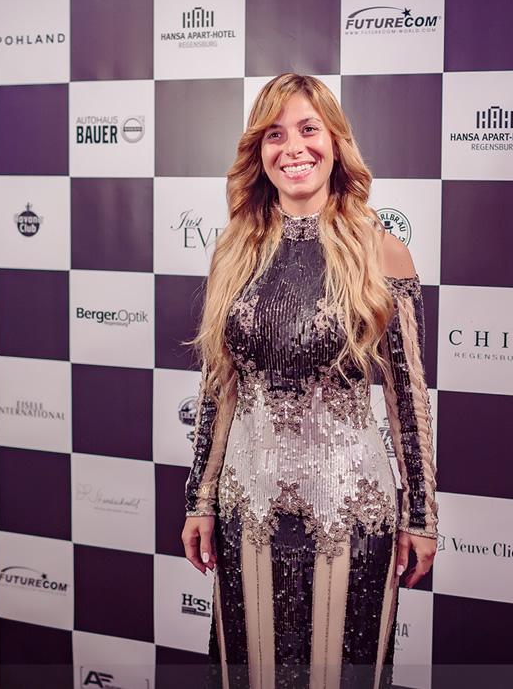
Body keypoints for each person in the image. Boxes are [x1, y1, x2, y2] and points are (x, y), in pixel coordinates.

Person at [180, 74, 438, 689]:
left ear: (335, 142)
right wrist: (200, 499)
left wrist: (421, 514)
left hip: (351, 512)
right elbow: (219, 387)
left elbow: (407, 398)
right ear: (258, 151)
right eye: (274, 134)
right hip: (248, 508)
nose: (293, 147)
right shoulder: (234, 249)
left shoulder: (381, 251)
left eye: (307, 129)